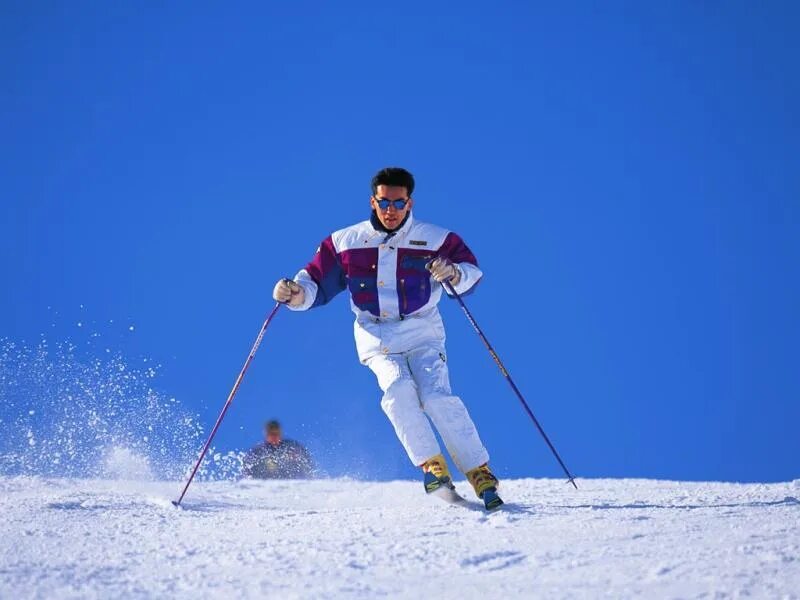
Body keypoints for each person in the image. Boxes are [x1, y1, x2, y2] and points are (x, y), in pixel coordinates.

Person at [272, 167, 502, 509]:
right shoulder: (346, 241)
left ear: (409, 203)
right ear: (373, 201)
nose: (391, 210)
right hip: (375, 332)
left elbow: (472, 272)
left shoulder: (436, 238)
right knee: (397, 391)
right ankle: (431, 465)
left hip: (422, 329)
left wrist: (453, 273)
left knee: (436, 396)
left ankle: (478, 470)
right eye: (384, 202)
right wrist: (293, 294)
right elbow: (315, 283)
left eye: (398, 202)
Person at [241, 420, 314, 479]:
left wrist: (297, 458)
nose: (274, 437)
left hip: (290, 482)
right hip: (264, 484)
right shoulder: (259, 450)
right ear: (266, 434)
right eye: (271, 434)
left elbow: (306, 459)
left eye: (276, 434)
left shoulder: (290, 446)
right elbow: (247, 466)